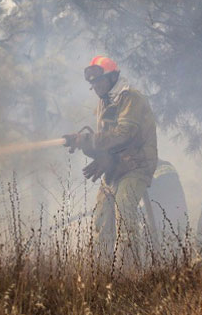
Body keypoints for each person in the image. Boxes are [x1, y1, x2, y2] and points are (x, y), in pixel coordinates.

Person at [63, 56, 158, 266]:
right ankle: (103, 273)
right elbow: (105, 143)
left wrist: (88, 139)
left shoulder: (130, 98)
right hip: (116, 166)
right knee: (101, 217)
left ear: (112, 77)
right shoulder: (105, 101)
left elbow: (124, 133)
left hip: (137, 164)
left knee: (124, 205)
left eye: (99, 81)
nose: (95, 87)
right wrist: (91, 149)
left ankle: (131, 272)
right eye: (93, 84)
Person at [149, 159, 189, 240]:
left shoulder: (147, 169)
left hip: (164, 218)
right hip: (179, 214)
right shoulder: (166, 165)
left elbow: (157, 199)